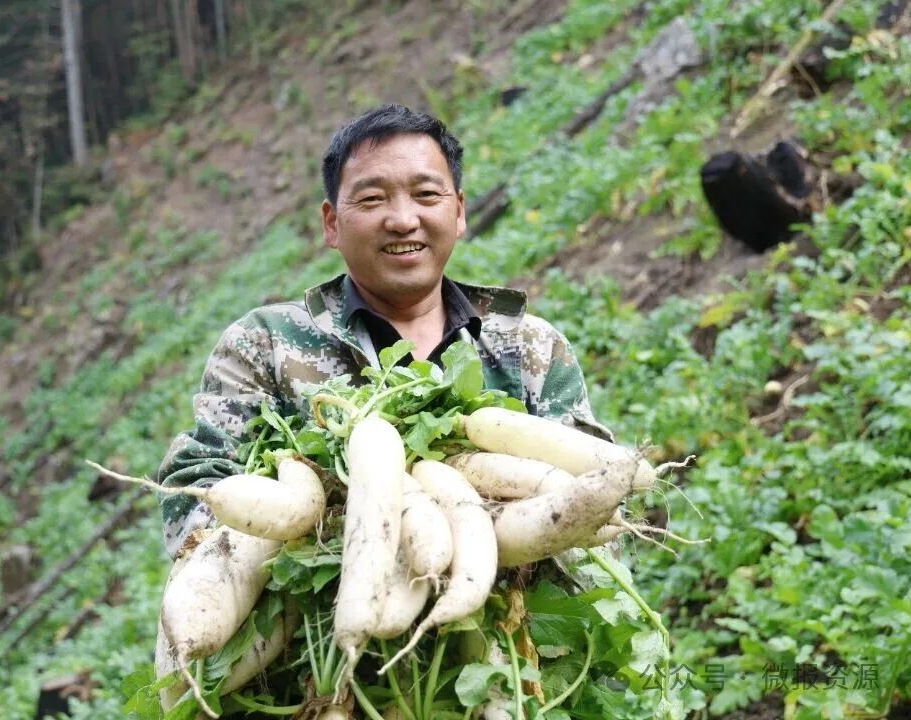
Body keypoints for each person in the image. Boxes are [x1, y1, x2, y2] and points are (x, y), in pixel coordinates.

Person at [156, 104, 611, 559]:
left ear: (459, 212)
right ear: (332, 223)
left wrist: (500, 543)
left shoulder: (530, 349)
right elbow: (194, 491)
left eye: (426, 194)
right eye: (373, 199)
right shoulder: (265, 345)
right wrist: (334, 536)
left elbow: (604, 506)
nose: (402, 220)